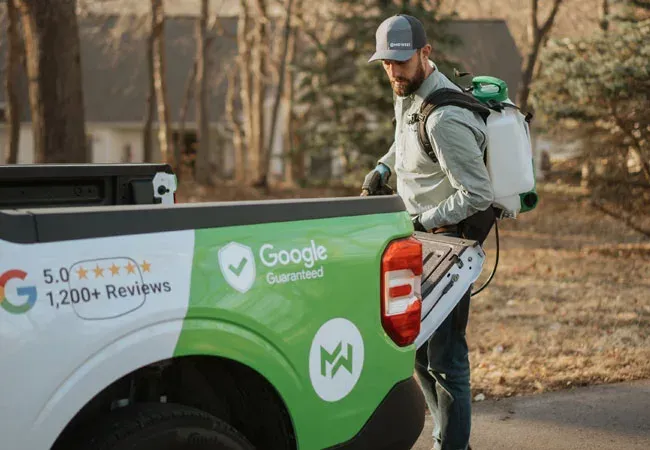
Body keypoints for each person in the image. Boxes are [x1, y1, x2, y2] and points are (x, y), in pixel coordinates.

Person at [364, 14, 495, 450]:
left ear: (426, 53)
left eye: (401, 62)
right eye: (386, 63)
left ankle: (453, 444)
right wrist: (385, 164)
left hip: (449, 247)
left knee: (446, 357)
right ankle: (447, 434)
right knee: (415, 349)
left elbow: (477, 193)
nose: (393, 72)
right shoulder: (410, 91)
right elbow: (407, 137)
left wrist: (420, 220)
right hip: (420, 244)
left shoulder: (446, 118)